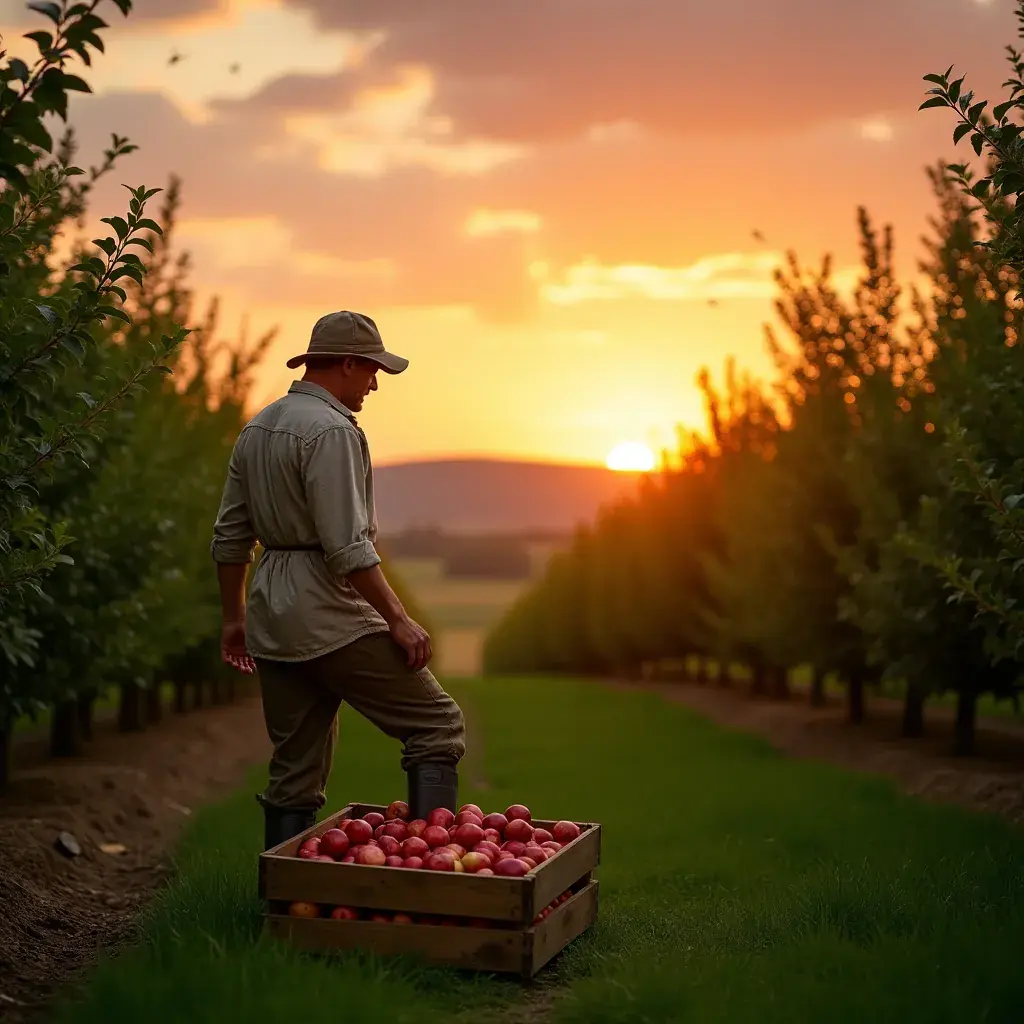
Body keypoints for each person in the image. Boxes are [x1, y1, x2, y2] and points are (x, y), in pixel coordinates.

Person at [210, 310, 466, 850]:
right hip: (325, 608)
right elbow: (347, 547)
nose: (375, 384)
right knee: (437, 724)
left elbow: (231, 538)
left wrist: (234, 620)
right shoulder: (331, 431)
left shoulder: (257, 427)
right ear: (348, 363)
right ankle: (438, 872)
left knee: (294, 766)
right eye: (372, 370)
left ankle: (285, 902)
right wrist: (398, 619)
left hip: (270, 614)